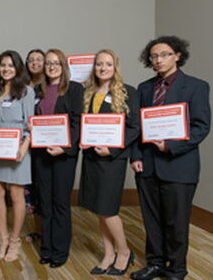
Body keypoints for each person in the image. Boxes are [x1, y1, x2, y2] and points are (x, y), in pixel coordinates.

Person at [130, 36, 210, 280]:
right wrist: (135, 156)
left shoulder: (196, 86)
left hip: (178, 166)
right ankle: (154, 263)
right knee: (152, 220)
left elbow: (201, 126)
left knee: (176, 222)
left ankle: (176, 269)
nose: (159, 59)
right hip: (147, 165)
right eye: (154, 56)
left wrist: (170, 146)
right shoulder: (144, 88)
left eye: (164, 54)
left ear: (178, 55)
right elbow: (138, 128)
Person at [78, 49, 139, 276]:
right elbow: (85, 124)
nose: (103, 68)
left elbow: (134, 128)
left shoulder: (127, 92)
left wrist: (112, 148)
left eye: (108, 64)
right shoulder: (88, 92)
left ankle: (124, 252)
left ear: (116, 67)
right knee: (98, 208)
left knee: (108, 209)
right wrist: (82, 140)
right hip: (92, 157)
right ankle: (108, 253)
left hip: (112, 159)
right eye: (99, 64)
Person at [32, 49, 83, 267]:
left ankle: (60, 251)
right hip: (41, 153)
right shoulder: (37, 89)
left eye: (56, 63)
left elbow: (76, 122)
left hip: (64, 155)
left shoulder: (75, 89)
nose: (52, 67)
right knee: (44, 203)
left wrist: (65, 147)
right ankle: (47, 249)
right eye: (48, 63)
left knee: (60, 203)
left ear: (64, 66)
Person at [0, 50, 35, 262]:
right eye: (3, 65)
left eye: (10, 65)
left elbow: (32, 124)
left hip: (17, 148)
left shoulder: (27, 91)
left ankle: (15, 240)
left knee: (16, 194)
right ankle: (3, 238)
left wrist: (25, 147)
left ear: (18, 68)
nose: (6, 69)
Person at [24, 49, 46, 243]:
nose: (35, 63)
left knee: (44, 186)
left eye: (39, 59)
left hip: (44, 143)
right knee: (30, 188)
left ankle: (48, 230)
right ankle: (38, 229)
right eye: (31, 60)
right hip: (25, 144)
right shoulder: (22, 85)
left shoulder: (51, 85)